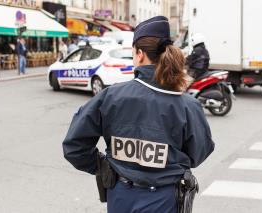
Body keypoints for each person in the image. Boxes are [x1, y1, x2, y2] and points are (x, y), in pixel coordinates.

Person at [62, 16, 215, 213]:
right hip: (166, 200)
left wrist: (103, 167)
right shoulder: (188, 105)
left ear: (140, 54)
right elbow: (200, 152)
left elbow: (75, 147)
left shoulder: (110, 97)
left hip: (120, 197)